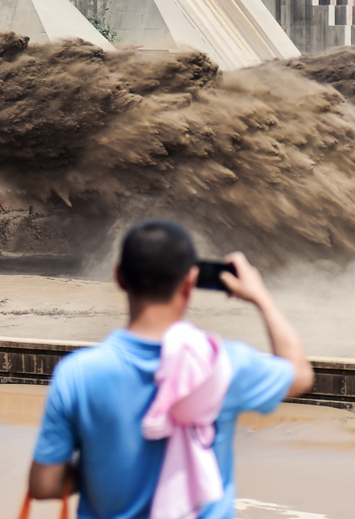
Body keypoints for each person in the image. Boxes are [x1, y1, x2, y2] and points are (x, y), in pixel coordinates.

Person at [27, 220, 314, 518]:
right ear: (190, 282)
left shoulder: (77, 374)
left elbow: (44, 484)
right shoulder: (222, 363)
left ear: (119, 277)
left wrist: (98, 470)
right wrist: (259, 295)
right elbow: (300, 375)